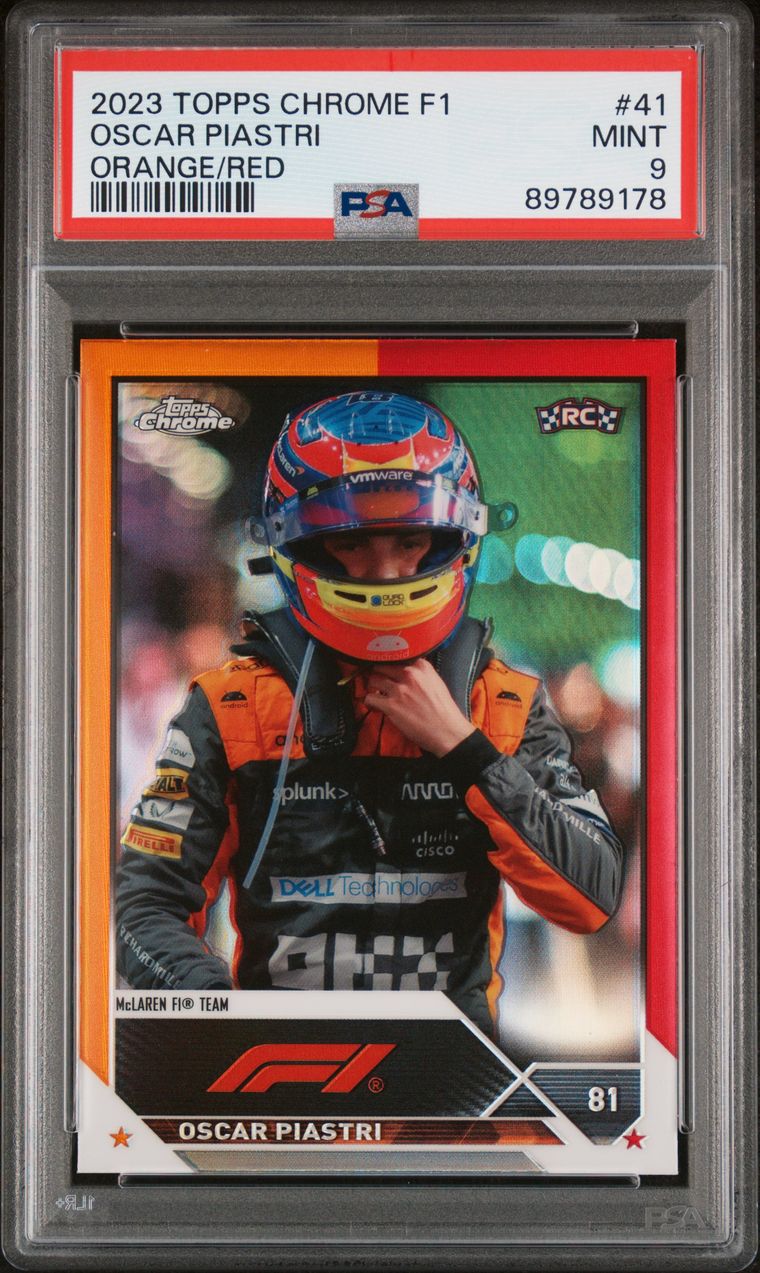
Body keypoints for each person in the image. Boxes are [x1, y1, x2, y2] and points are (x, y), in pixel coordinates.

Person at [117, 390, 622, 1037]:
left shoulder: (503, 705)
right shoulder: (230, 706)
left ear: (455, 538)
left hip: (454, 1085)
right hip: (281, 1077)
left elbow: (590, 898)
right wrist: (227, 1022)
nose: (385, 573)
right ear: (298, 544)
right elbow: (146, 906)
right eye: (351, 540)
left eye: (411, 540)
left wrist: (466, 750)